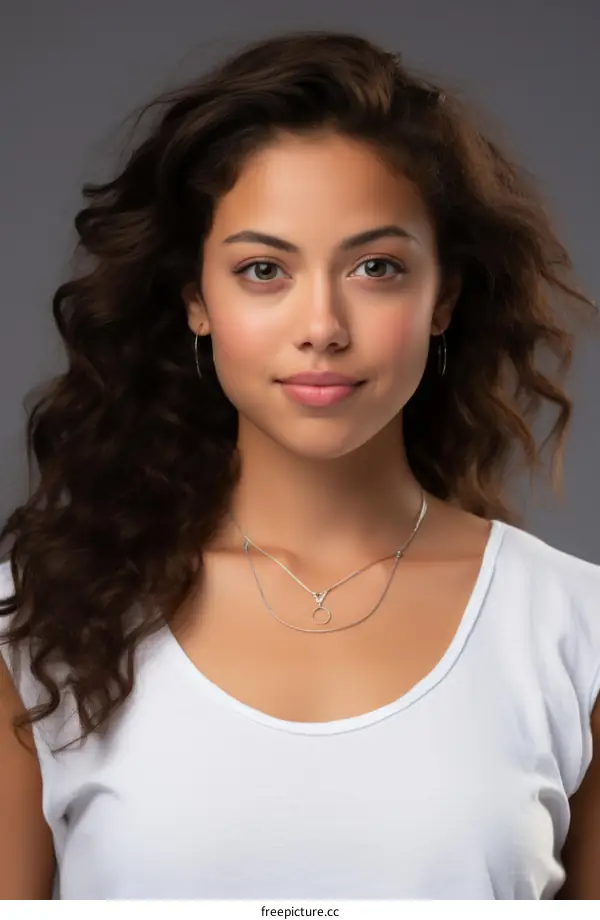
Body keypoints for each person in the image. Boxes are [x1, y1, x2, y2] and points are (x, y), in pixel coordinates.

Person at [1, 28, 599, 902]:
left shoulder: (576, 636)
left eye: (376, 266)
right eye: (263, 270)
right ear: (196, 302)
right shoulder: (38, 627)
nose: (321, 324)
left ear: (445, 299)